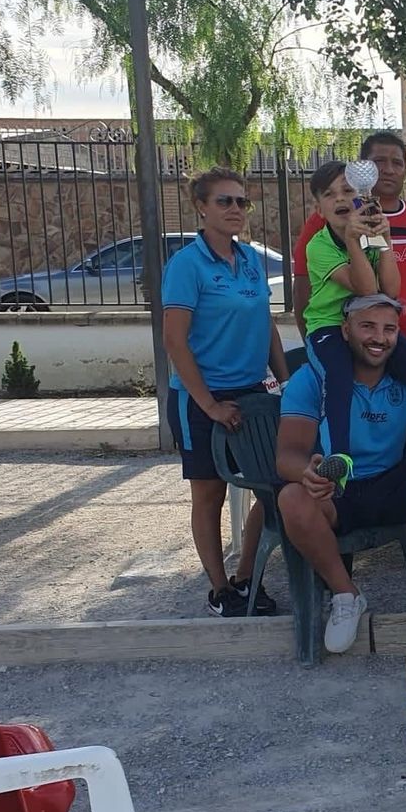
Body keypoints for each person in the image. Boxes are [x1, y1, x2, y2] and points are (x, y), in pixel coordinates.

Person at [276, 295, 406, 655]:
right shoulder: (311, 380)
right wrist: (306, 473)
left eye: (389, 329)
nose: (379, 338)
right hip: (337, 490)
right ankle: (346, 595)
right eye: (367, 326)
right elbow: (286, 455)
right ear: (345, 330)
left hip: (393, 483)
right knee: (291, 498)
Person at [162, 168, 289, 618]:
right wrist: (210, 405)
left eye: (242, 202)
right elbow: (175, 340)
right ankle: (220, 590)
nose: (236, 209)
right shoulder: (186, 265)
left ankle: (246, 575)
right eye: (224, 201)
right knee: (210, 494)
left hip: (254, 390)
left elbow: (266, 321)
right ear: (201, 207)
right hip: (202, 396)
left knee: (272, 485)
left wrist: (284, 380)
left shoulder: (252, 259)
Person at [301, 161, 406, 469]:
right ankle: (338, 456)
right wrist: (353, 241)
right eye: (329, 194)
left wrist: (385, 242)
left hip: (370, 328)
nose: (340, 199)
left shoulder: (370, 235)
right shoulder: (318, 246)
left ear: (360, 198)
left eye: (347, 191)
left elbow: (390, 291)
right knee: (337, 377)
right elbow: (366, 291)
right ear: (318, 209)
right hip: (329, 327)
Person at [292, 132, 406, 402]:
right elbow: (304, 287)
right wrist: (319, 349)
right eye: (378, 162)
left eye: (396, 162)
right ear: (361, 170)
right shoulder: (332, 221)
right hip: (361, 367)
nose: (388, 169)